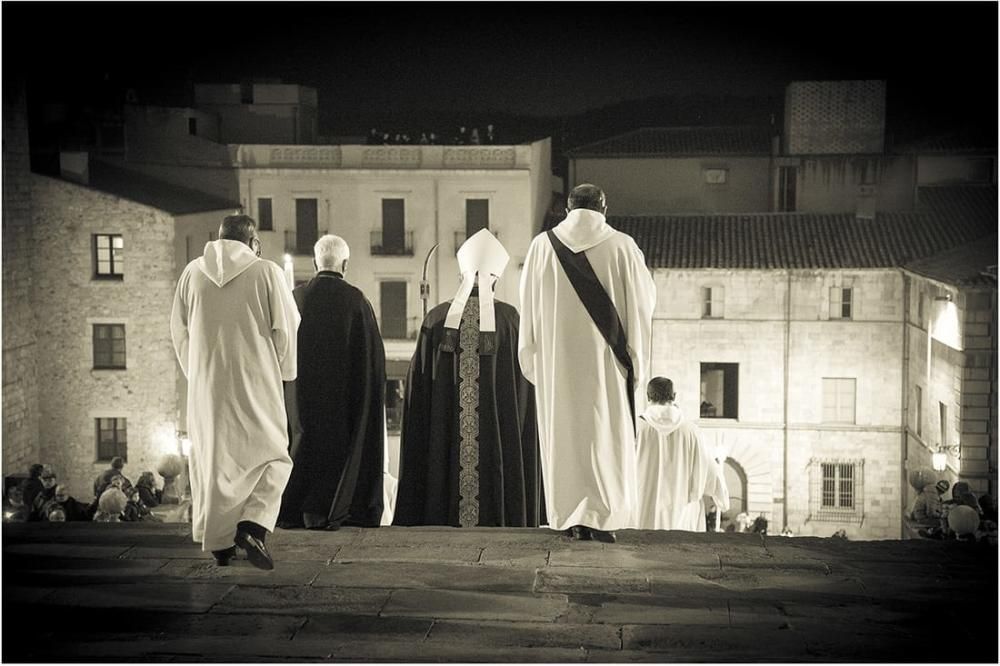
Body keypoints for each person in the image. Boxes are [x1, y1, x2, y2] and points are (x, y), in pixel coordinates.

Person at [518, 183, 656, 542]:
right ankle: (604, 518)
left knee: (565, 435)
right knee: (604, 435)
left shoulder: (540, 247)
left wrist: (534, 360)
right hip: (607, 363)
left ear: (567, 209)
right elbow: (642, 307)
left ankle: (570, 517)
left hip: (556, 364)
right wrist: (636, 363)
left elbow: (528, 308)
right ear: (603, 208)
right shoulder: (624, 247)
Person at [171, 214, 300, 569]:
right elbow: (286, 329)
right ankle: (253, 526)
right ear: (253, 241)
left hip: (207, 385)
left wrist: (196, 371)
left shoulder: (192, 273)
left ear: (219, 238)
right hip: (255, 380)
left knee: (215, 465)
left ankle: (219, 545)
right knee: (274, 456)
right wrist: (284, 370)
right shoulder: (266, 271)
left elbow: (178, 331)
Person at [395, 229, 543, 528]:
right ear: (496, 279)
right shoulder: (511, 321)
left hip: (444, 444)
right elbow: (527, 389)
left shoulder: (436, 319)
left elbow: (417, 390)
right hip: (498, 441)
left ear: (461, 275)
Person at [277, 235, 386, 531]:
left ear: (314, 263)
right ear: (346, 264)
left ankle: (291, 511)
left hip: (298, 400)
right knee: (336, 453)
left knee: (300, 446)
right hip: (340, 403)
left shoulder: (295, 298)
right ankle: (329, 510)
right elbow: (371, 361)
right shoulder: (356, 301)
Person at [635, 377, 729, 531]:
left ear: (648, 397)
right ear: (674, 396)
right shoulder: (692, 431)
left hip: (641, 511)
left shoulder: (635, 428)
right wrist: (722, 498)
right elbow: (710, 468)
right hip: (682, 516)